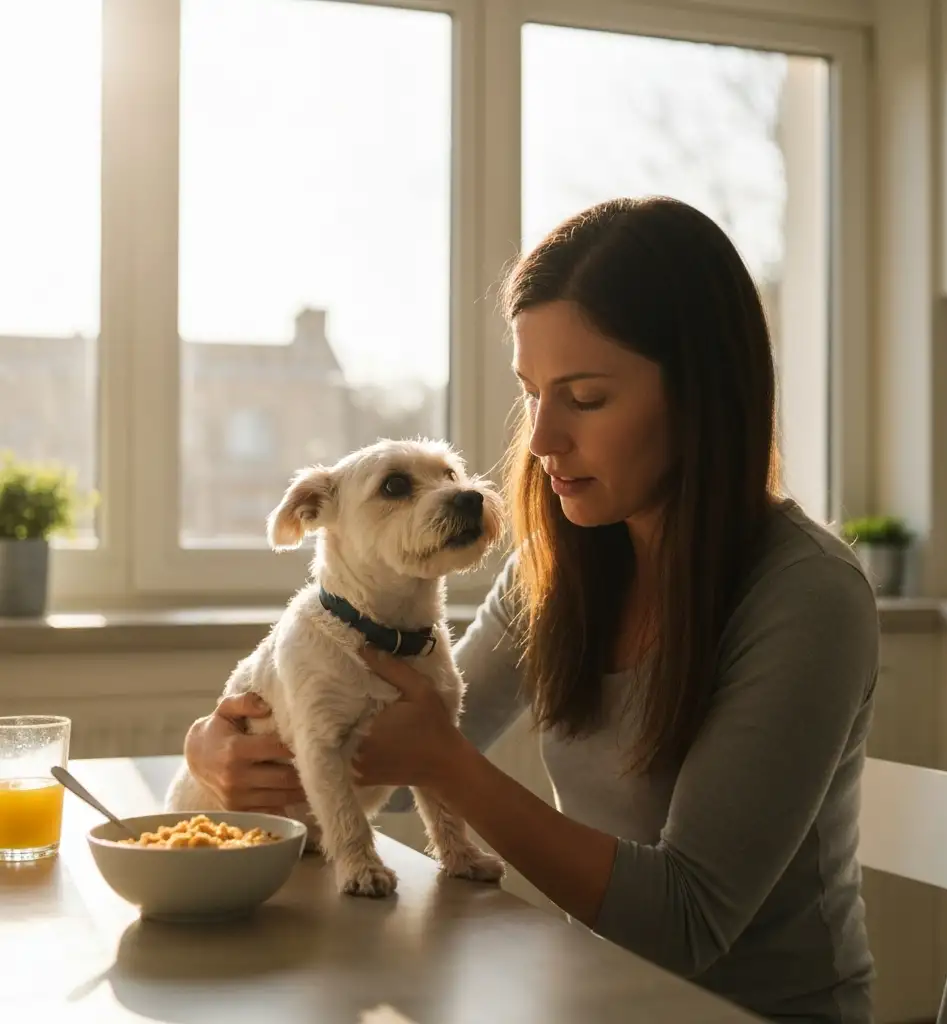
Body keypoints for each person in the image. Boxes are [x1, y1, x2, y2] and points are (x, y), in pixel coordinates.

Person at [183, 196, 879, 1023]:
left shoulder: (809, 599)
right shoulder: (557, 570)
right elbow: (398, 762)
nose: (542, 439)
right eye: (532, 393)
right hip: (590, 994)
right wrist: (210, 752)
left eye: (585, 397)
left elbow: (686, 924)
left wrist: (446, 764)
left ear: (703, 394)